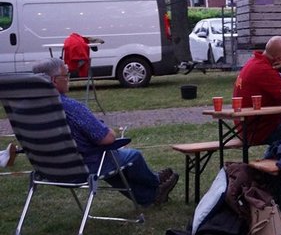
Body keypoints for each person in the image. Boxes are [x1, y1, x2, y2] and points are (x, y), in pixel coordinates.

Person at [31, 58, 178, 206]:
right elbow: (106, 138)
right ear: (54, 80)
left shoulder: (28, 110)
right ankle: (156, 181)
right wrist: (109, 131)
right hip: (80, 169)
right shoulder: (71, 108)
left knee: (111, 162)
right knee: (132, 156)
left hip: (47, 170)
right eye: (66, 75)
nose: (69, 79)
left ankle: (151, 196)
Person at [232, 36, 281, 145]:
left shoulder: (256, 62)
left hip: (248, 125)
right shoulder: (264, 70)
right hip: (257, 130)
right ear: (279, 59)